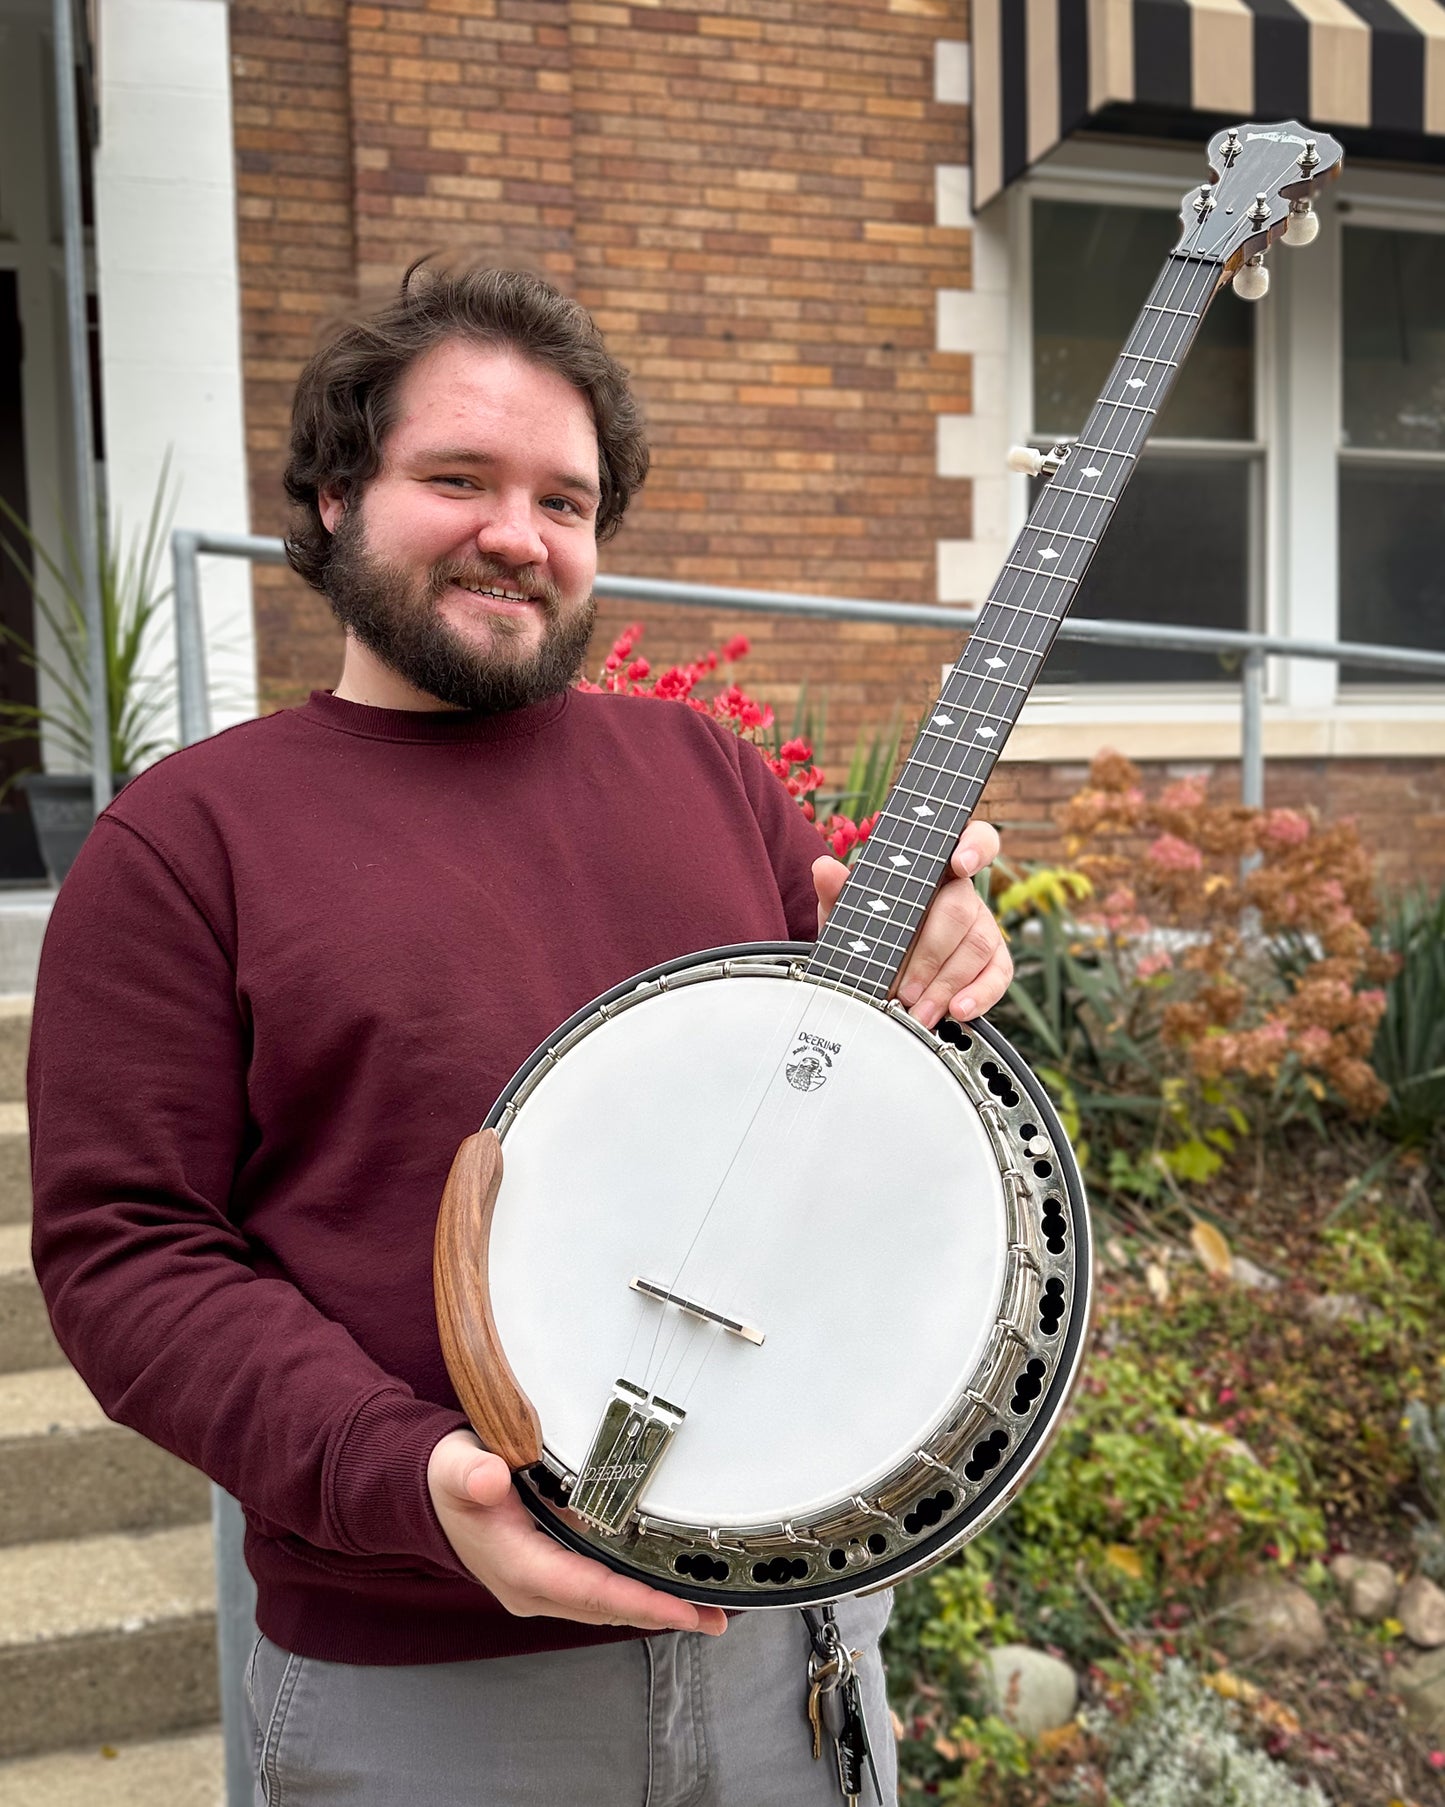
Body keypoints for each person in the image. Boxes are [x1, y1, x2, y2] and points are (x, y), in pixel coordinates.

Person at [28, 264, 1012, 1806]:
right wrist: (414, 1478)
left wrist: (933, 959)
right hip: (432, 1690)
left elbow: (828, 1106)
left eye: (565, 500)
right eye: (457, 479)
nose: (518, 533)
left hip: (789, 1653)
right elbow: (128, 1255)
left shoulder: (705, 775)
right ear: (338, 496)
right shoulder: (189, 842)